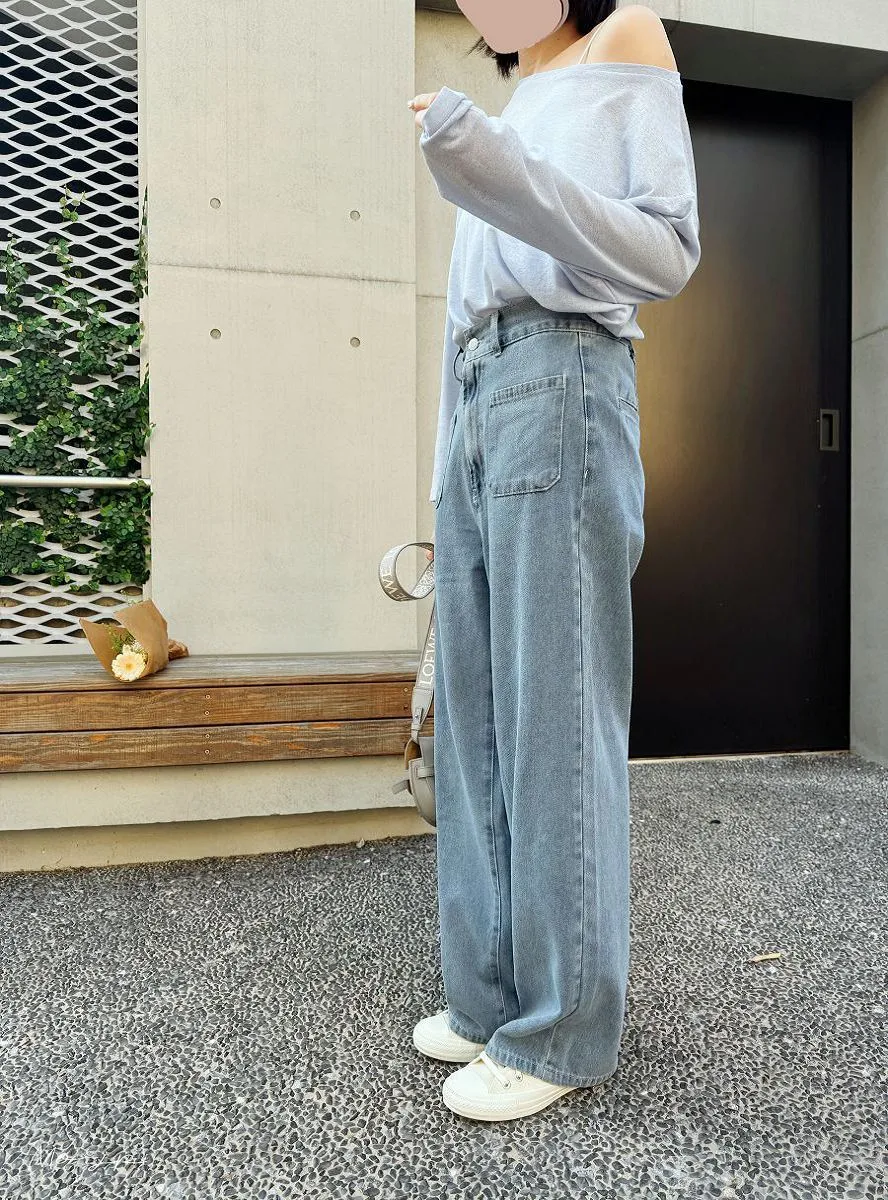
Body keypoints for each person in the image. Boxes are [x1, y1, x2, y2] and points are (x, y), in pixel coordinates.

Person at [406, 1, 701, 1122]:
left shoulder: (625, 39)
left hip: (562, 373)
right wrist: (445, 472)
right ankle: (489, 998)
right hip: (480, 389)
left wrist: (493, 164)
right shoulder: (523, 91)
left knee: (556, 722)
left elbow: (667, 249)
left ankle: (562, 1031)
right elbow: (467, 305)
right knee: (478, 727)